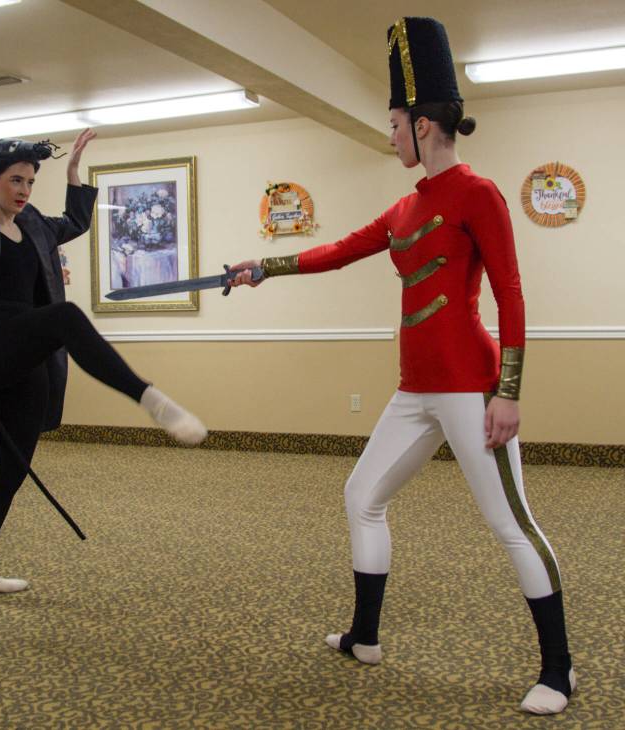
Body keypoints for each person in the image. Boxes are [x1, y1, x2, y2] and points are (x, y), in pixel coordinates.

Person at [229, 17, 573, 716]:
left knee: (511, 522)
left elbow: (510, 295)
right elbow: (341, 250)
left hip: (472, 388)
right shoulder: (405, 205)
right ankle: (365, 636)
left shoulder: (478, 193)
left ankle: (560, 672)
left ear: (422, 124)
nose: (387, 138)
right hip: (415, 391)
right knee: (362, 495)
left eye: (392, 124)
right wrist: (261, 266)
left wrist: (508, 393)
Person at [0, 104, 208, 596]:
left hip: (28, 355)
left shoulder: (38, 228)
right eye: (15, 181)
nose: (24, 191)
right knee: (66, 317)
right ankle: (151, 398)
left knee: (12, 469)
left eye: (29, 182)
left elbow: (76, 219)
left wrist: (73, 173)